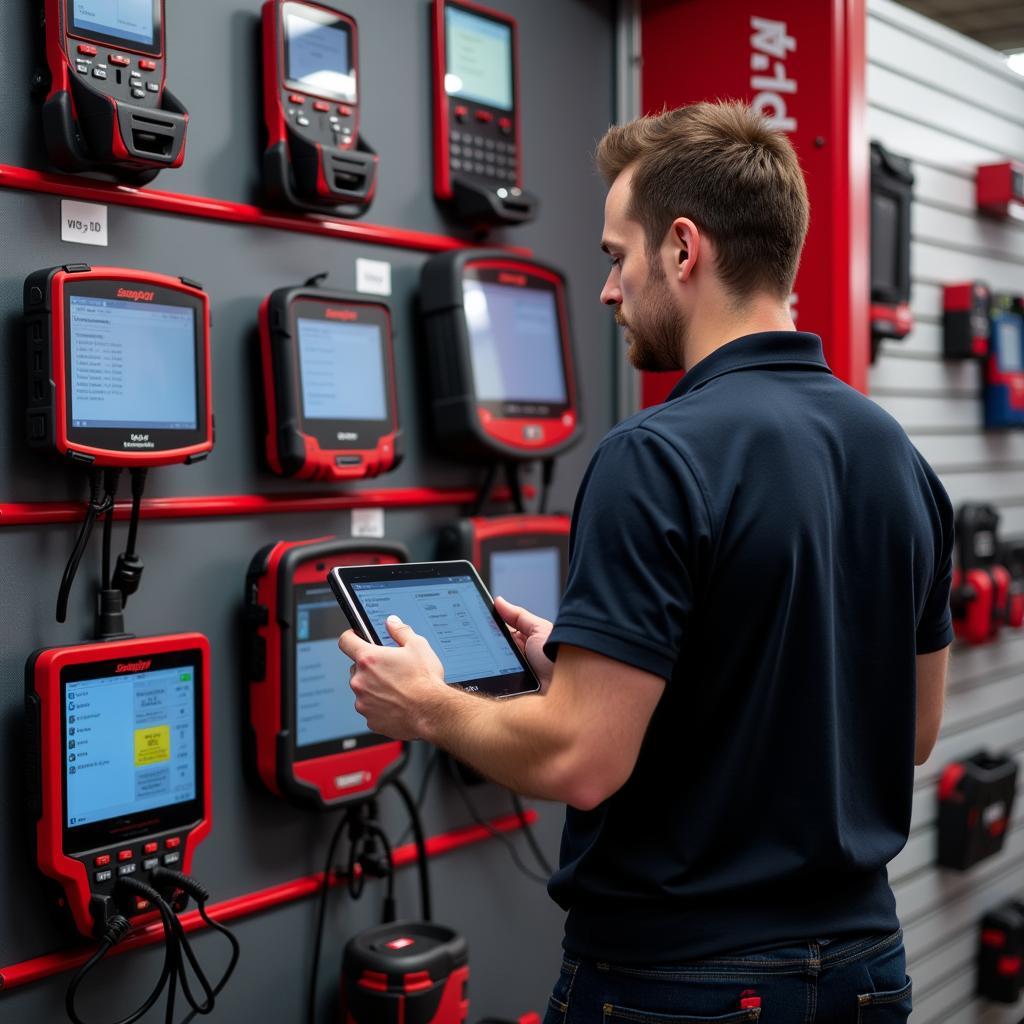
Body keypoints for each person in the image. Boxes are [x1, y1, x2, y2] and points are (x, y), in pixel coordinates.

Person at [339, 101, 953, 1023]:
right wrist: (593, 666)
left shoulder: (655, 457)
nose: (608, 290)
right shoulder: (894, 454)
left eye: (614, 256)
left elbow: (582, 764)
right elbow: (905, 730)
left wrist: (428, 706)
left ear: (681, 248)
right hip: (867, 972)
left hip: (685, 982)